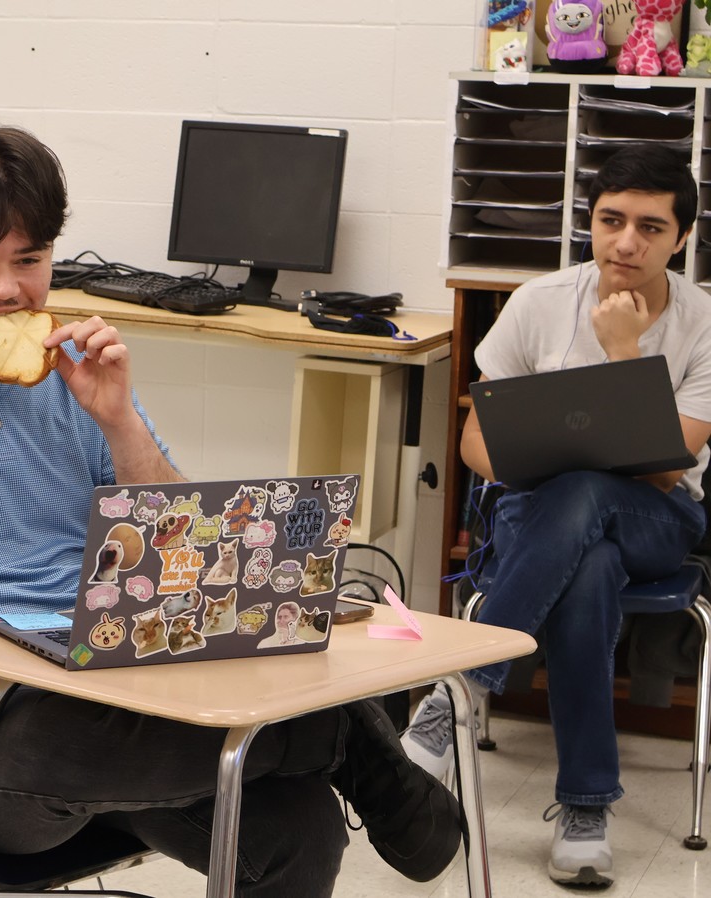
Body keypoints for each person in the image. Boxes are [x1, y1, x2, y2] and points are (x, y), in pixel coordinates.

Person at [0, 119, 461, 896]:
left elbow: (189, 567)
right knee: (79, 731)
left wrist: (119, 422)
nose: (4, 289)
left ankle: (325, 735)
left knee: (296, 824)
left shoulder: (71, 378)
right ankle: (346, 734)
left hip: (96, 687)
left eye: (29, 261)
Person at [401, 144, 711, 888]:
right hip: (542, 516)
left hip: (659, 521)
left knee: (588, 493)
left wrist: (623, 351)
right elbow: (477, 433)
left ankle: (462, 686)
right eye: (610, 221)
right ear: (591, 223)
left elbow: (670, 465)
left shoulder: (702, 321)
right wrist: (519, 458)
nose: (625, 242)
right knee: (586, 562)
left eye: (648, 227)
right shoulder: (540, 302)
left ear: (680, 239)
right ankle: (585, 812)